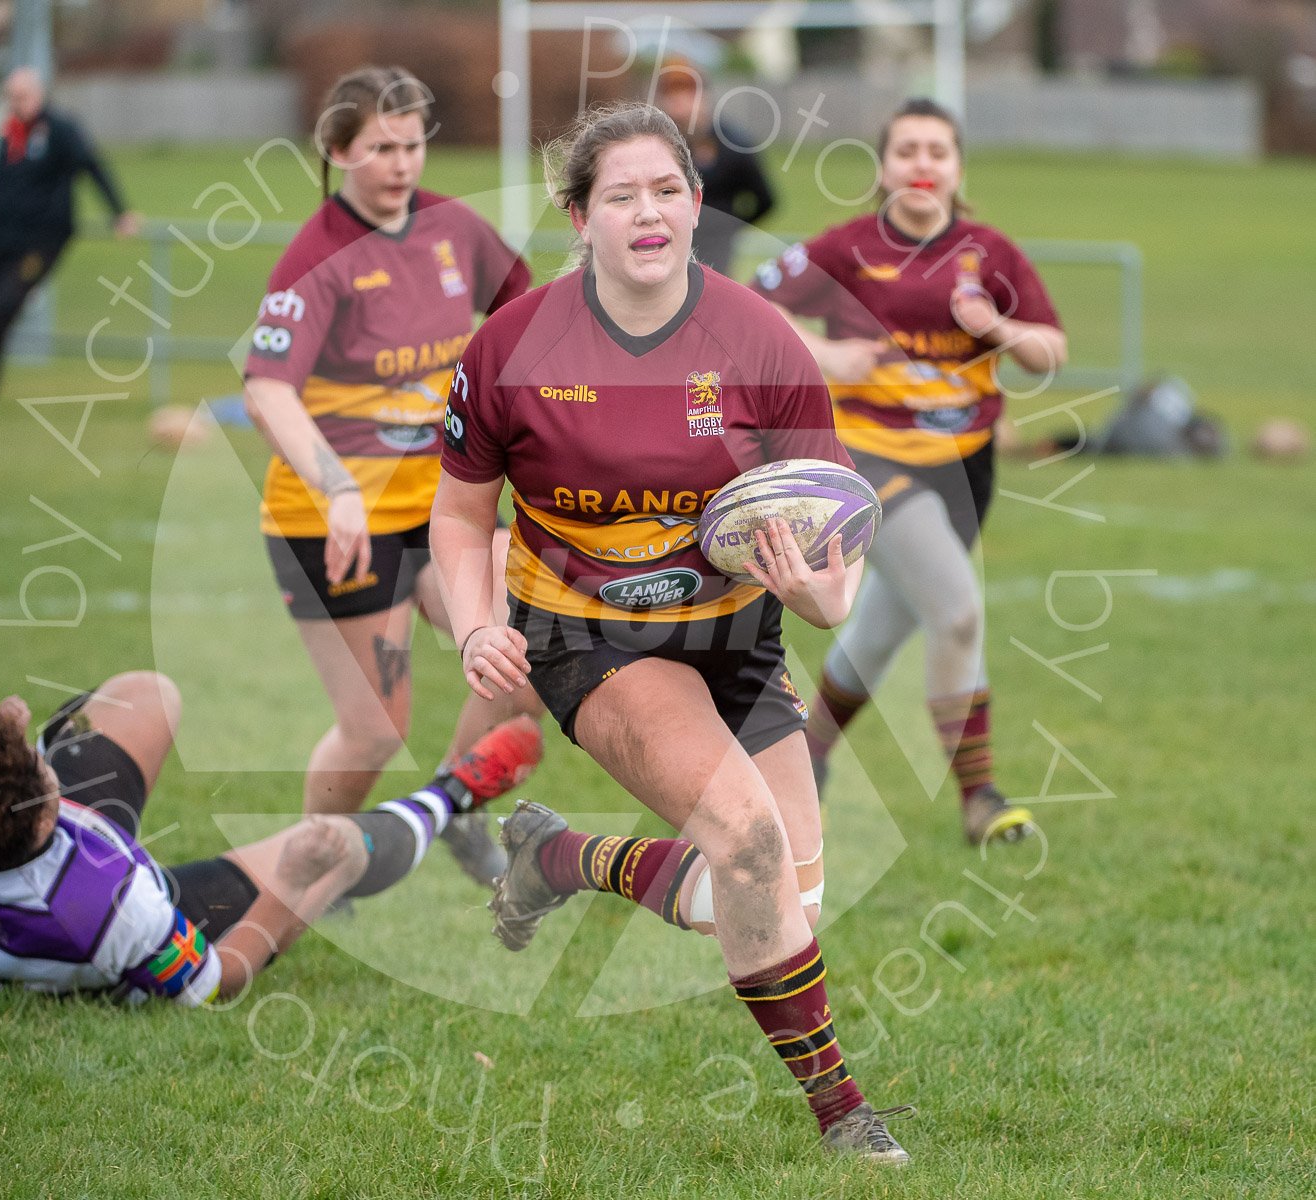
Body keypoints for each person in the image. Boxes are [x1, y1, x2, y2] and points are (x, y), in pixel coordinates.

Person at [430, 103, 912, 1164]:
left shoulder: (761, 339)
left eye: (666, 191)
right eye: (620, 195)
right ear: (579, 215)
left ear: (698, 206)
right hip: (585, 638)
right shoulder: (511, 348)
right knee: (745, 841)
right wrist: (474, 630)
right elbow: (461, 513)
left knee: (782, 902)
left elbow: (836, 525)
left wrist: (828, 601)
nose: (647, 212)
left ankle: (561, 857)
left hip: (735, 640)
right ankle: (845, 1117)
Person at [242, 65, 540, 884]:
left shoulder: (454, 228)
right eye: (380, 147)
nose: (402, 163)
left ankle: (452, 805)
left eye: (412, 144)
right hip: (331, 524)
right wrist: (338, 489)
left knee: (521, 657)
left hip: (440, 508)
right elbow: (268, 389)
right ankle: (310, 868)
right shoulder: (318, 257)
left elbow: (528, 317)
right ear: (338, 151)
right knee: (376, 728)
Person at [751, 97, 1068, 846]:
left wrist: (1001, 329)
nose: (922, 164)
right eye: (907, 151)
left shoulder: (990, 252)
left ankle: (811, 750)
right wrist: (824, 356)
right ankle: (979, 797)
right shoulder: (846, 247)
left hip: (967, 466)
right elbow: (751, 303)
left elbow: (1050, 352)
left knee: (888, 620)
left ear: (957, 170)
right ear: (884, 168)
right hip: (867, 458)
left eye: (937, 151)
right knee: (956, 609)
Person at [0, 671, 541, 1006]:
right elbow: (218, 979)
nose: (33, 743)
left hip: (32, 899)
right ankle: (450, 797)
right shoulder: (121, 907)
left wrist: (3, 744)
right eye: (37, 762)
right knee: (340, 846)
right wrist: (299, 884)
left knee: (147, 694)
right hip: (102, 938)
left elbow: (0, 794)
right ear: (50, 820)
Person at [0, 67, 140, 423]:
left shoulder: (60, 129)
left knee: (2, 307)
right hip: (2, 242)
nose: (17, 103)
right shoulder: (9, 133)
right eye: (11, 97)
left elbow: (92, 166)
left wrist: (119, 213)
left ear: (38, 93)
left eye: (23, 96)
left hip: (41, 242)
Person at [655, 58, 776, 276]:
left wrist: (729, 225)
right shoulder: (656, 144)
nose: (680, 103)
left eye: (688, 94)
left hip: (715, 245)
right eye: (673, 96)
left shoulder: (734, 143)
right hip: (666, 237)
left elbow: (765, 198)